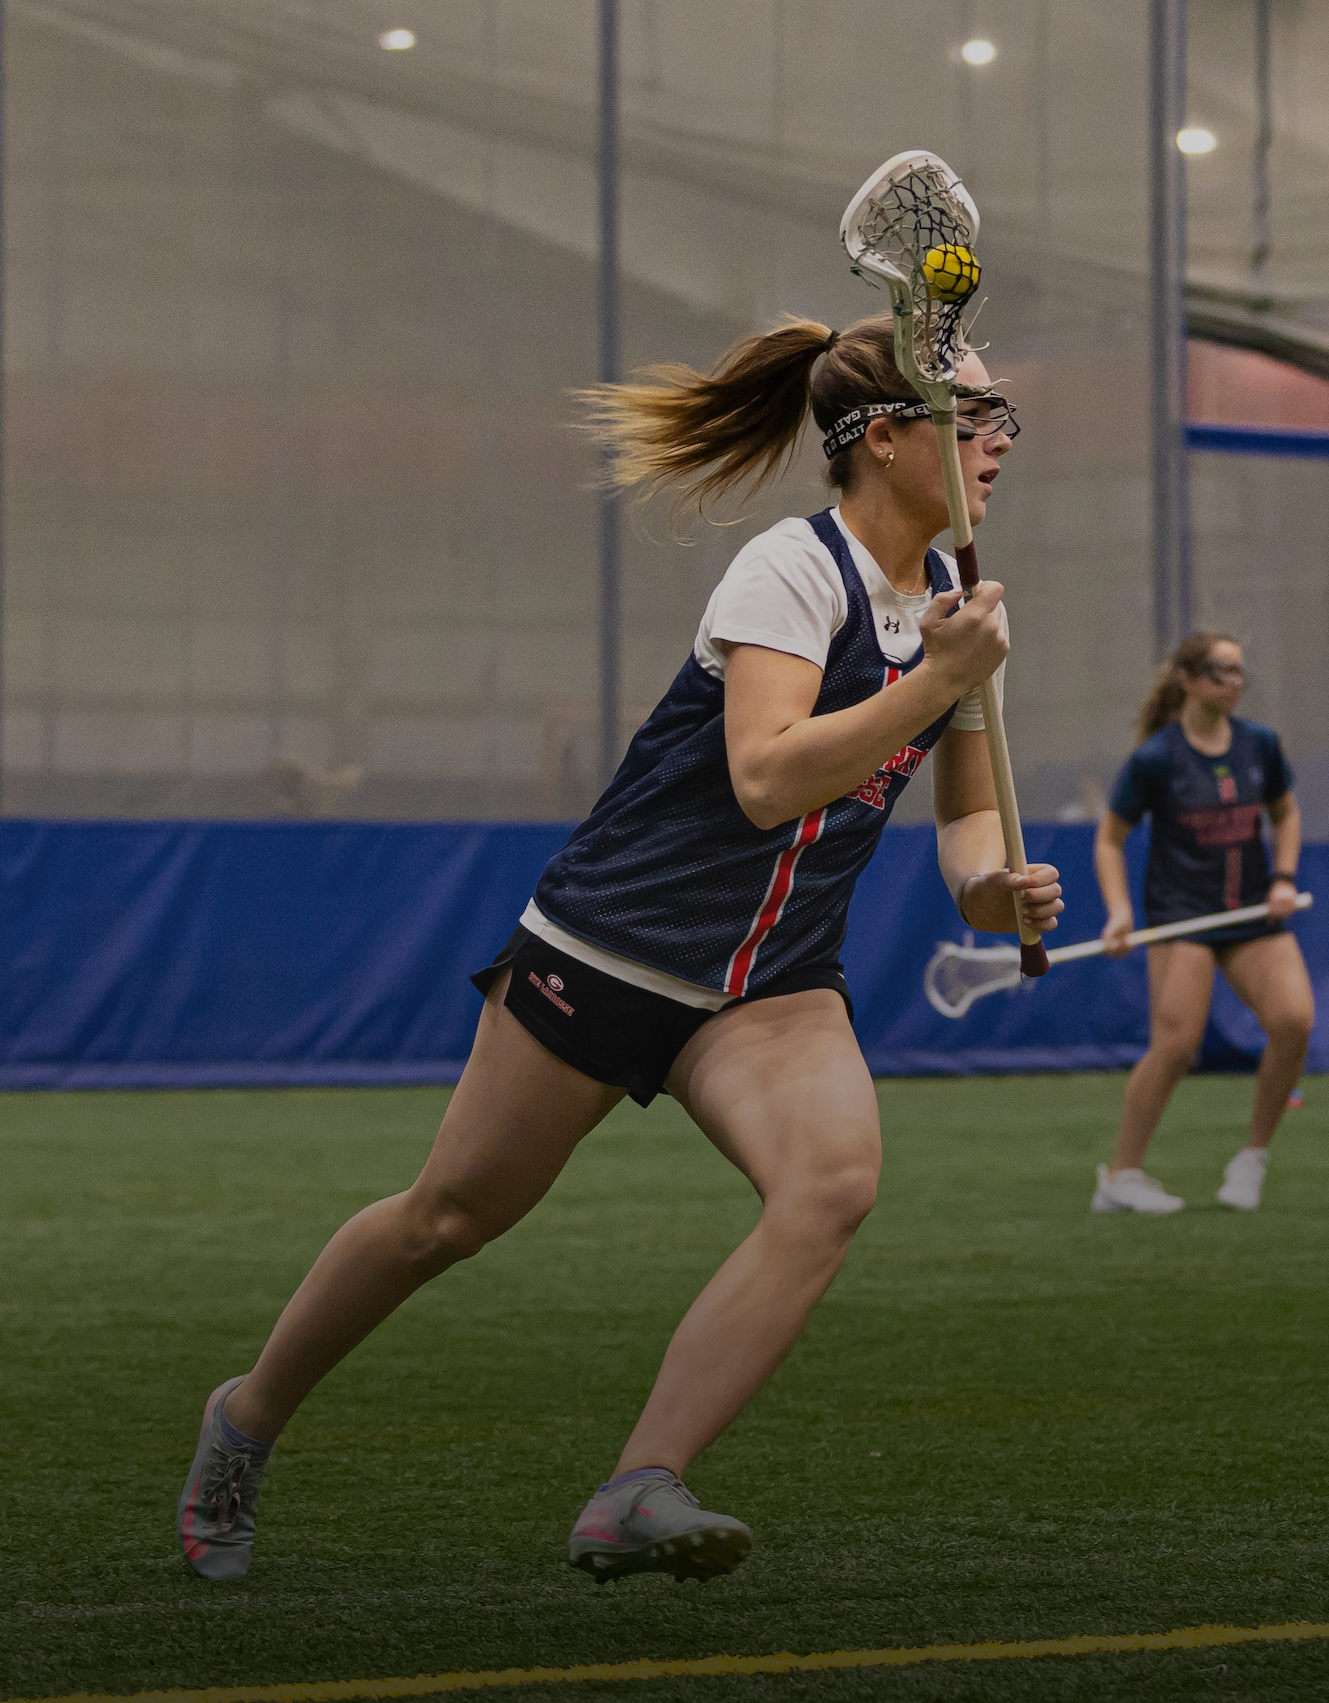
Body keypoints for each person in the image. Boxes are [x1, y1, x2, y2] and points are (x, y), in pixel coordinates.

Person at [177, 312, 1062, 1586]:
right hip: (611, 947)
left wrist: (990, 888)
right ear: (880, 437)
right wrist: (935, 678)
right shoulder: (791, 569)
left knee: (830, 1187)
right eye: (968, 414)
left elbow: (968, 820)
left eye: (997, 415)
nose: (997, 439)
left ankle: (640, 1482)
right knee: (447, 1217)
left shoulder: (961, 617)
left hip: (771, 978)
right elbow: (765, 778)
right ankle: (246, 1414)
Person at [1090, 632, 1313, 1215]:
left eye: (1239, 671)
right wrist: (1120, 911)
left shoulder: (1261, 745)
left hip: (1251, 910)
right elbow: (1110, 840)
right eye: (1220, 671)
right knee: (1176, 1047)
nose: (1233, 682)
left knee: (1293, 1021)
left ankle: (1252, 1159)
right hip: (1182, 914)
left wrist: (1284, 878)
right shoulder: (1156, 758)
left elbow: (1286, 815)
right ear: (1187, 680)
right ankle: (1120, 1177)